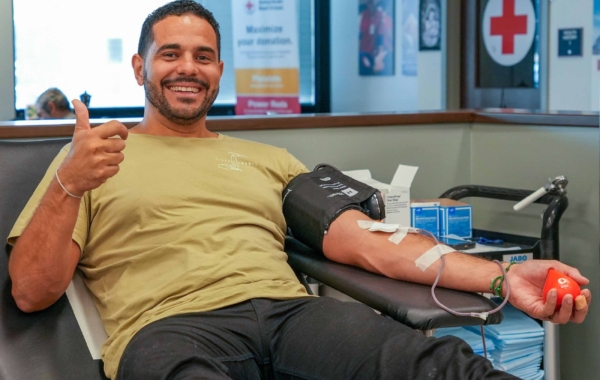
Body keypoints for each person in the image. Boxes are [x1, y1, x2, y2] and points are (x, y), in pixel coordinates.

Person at [7, 1, 591, 379]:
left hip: (291, 316)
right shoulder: (89, 160)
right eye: (171, 54)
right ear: (140, 68)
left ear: (218, 70)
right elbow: (32, 291)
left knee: (440, 365)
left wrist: (501, 279)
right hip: (169, 327)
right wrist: (68, 184)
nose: (188, 67)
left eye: (204, 56)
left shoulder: (269, 159)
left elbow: (371, 241)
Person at [359, 0, 394, 75]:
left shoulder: (380, 15)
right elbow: (361, 32)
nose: (370, 5)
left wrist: (380, 50)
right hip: (364, 47)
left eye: (372, 3)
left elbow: (381, 34)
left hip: (375, 48)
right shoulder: (364, 14)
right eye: (369, 3)